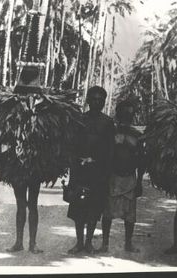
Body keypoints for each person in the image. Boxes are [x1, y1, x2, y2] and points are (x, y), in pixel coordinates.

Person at [67, 86, 115, 254]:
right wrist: (75, 165)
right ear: (87, 100)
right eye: (93, 99)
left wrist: (96, 161)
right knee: (79, 208)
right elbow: (73, 145)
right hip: (80, 171)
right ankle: (79, 242)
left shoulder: (108, 123)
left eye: (100, 100)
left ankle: (88, 243)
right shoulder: (80, 119)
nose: (96, 102)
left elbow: (110, 151)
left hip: (98, 173)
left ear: (103, 102)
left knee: (95, 208)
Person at [97, 100, 145, 253]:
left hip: (130, 178)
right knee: (108, 213)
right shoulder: (111, 133)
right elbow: (105, 156)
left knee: (130, 215)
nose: (127, 116)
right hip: (113, 177)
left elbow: (141, 160)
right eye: (124, 113)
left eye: (129, 114)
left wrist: (139, 181)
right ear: (118, 114)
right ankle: (105, 243)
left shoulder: (137, 136)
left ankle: (128, 243)